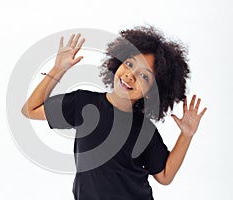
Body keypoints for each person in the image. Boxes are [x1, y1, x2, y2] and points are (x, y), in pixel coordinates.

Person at [21, 26, 207, 200]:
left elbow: (165, 176)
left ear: (152, 92)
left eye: (144, 76)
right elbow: (30, 109)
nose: (130, 75)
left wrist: (186, 134)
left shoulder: (144, 130)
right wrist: (58, 69)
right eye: (129, 64)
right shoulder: (83, 103)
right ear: (118, 63)